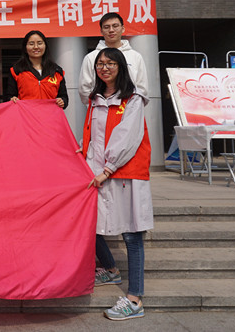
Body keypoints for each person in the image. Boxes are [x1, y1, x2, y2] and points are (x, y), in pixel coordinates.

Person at [83, 48, 153, 321]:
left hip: (125, 174)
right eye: (100, 63)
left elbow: (128, 137)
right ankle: (111, 270)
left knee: (132, 235)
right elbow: (92, 137)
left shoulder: (133, 99)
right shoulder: (95, 99)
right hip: (100, 173)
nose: (104, 67)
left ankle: (135, 299)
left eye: (110, 63)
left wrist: (108, 168)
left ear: (121, 66)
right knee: (88, 222)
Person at [78, 12, 147, 105]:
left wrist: (131, 106)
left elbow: (142, 88)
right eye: (106, 27)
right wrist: (99, 106)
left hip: (129, 108)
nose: (111, 30)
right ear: (101, 31)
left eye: (115, 26)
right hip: (100, 108)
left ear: (123, 28)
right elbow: (84, 89)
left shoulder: (135, 56)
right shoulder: (91, 57)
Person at [6, 30, 68, 109]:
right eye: (31, 44)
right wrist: (12, 99)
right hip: (26, 114)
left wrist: (62, 101)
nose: (36, 47)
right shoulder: (16, 70)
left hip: (50, 114)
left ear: (45, 46)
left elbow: (64, 97)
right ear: (25, 47)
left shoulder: (56, 70)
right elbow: (9, 97)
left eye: (39, 43)